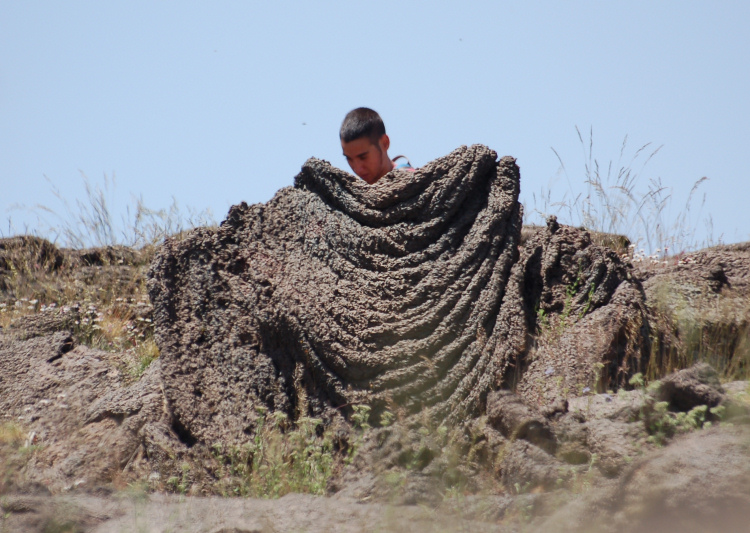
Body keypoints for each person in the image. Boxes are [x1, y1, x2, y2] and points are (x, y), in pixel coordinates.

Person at [339, 107, 413, 184]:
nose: (358, 169)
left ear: (385, 143)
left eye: (363, 157)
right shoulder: (350, 190)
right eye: (349, 159)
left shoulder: (411, 183)